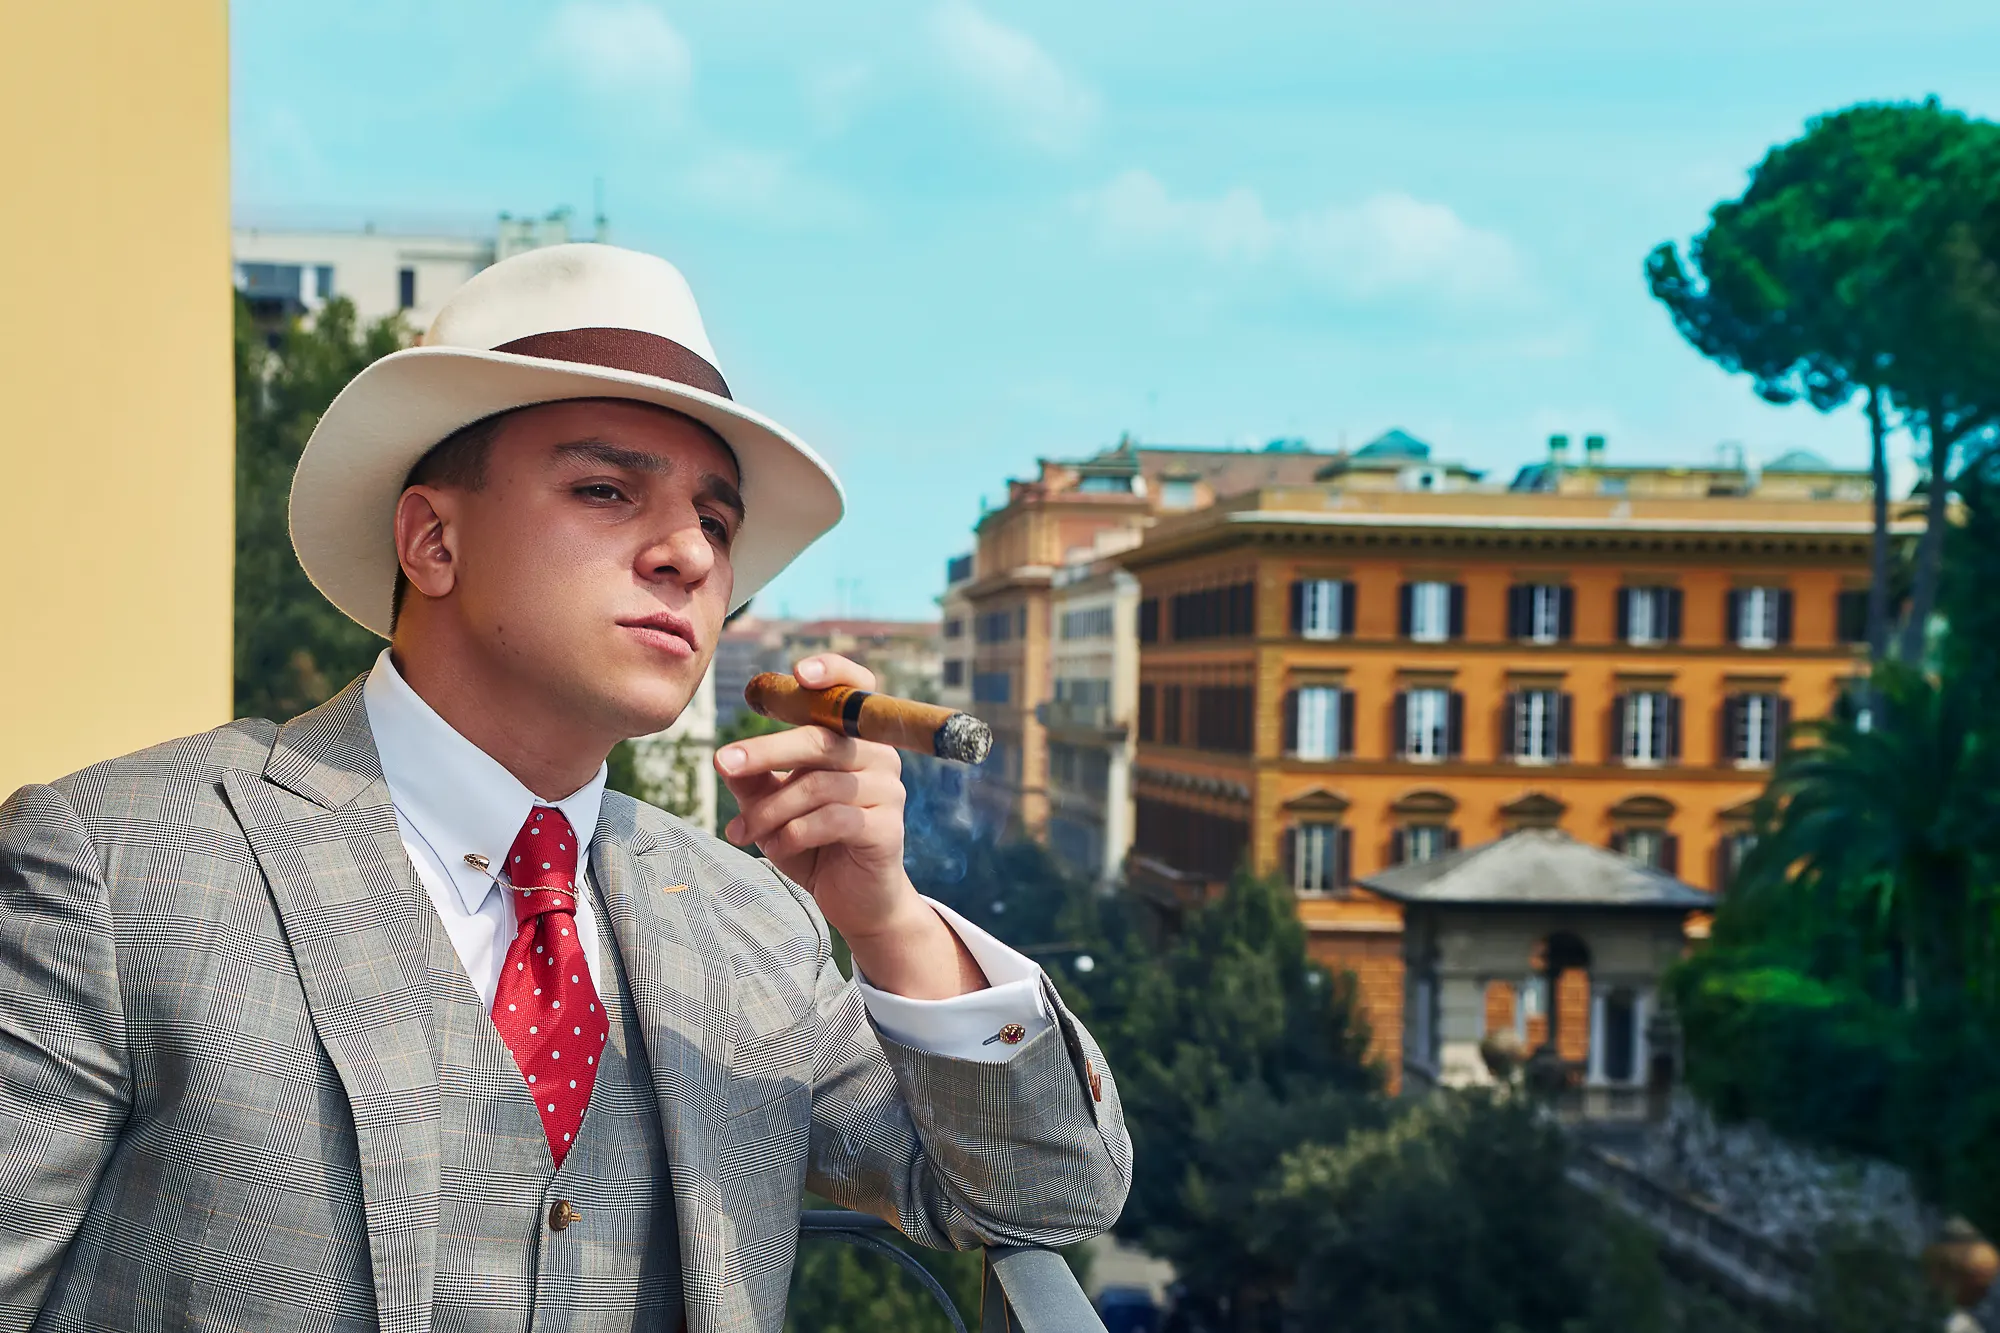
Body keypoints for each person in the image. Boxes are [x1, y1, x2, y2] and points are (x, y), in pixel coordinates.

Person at [0, 243, 1129, 1332]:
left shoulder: (750, 927)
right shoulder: (113, 862)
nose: (688, 553)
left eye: (716, 522)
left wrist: (886, 922)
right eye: (604, 490)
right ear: (432, 539)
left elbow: (1039, 1199)